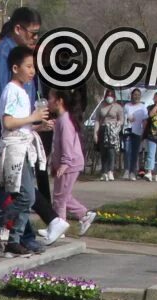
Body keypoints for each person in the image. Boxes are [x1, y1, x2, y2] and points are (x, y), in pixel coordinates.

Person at [0, 44, 50, 253]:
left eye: (34, 67)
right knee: (27, 196)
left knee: (24, 194)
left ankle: (15, 239)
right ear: (15, 68)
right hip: (14, 148)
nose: (32, 71)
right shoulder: (11, 90)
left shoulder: (22, 91)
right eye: (29, 66)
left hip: (24, 145)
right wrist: (33, 117)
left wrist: (38, 125)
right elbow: (9, 122)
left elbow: (22, 124)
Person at [45, 88, 92, 239]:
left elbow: (67, 143)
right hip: (68, 163)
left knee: (59, 198)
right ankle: (85, 215)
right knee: (63, 196)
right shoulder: (62, 119)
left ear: (59, 101)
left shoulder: (64, 120)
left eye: (50, 98)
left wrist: (64, 163)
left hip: (70, 164)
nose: (48, 102)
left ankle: (58, 228)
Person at [92, 90, 124, 181]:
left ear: (114, 97)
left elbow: (121, 120)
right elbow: (97, 120)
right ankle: (104, 172)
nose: (109, 97)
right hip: (102, 129)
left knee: (111, 151)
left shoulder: (118, 107)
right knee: (103, 151)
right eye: (108, 95)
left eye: (111, 95)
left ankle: (111, 171)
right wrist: (95, 133)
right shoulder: (101, 106)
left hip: (112, 131)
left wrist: (117, 124)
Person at [122, 88, 148, 178]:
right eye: (135, 94)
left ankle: (132, 172)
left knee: (135, 152)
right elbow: (123, 117)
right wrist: (127, 118)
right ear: (131, 95)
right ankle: (126, 170)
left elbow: (145, 121)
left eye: (138, 95)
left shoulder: (143, 107)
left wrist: (143, 133)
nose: (136, 96)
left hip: (138, 132)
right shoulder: (127, 106)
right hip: (128, 131)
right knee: (127, 151)